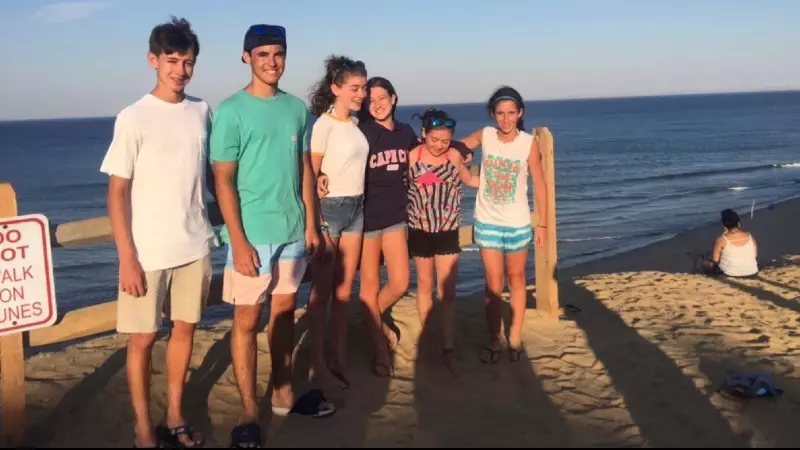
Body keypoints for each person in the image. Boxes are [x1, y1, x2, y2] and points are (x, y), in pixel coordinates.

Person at [210, 24, 334, 447]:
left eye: (278, 53)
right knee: (247, 321)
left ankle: (283, 393)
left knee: (284, 313)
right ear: (246, 57)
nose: (271, 61)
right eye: (262, 53)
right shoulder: (231, 111)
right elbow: (223, 180)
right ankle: (249, 410)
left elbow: (305, 170)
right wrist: (238, 239)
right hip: (253, 233)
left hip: (293, 229)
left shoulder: (296, 108)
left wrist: (312, 224)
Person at [100, 17, 212, 448]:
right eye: (172, 61)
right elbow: (117, 192)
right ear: (153, 60)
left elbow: (211, 174)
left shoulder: (202, 111)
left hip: (195, 243)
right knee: (143, 339)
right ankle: (143, 428)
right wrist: (127, 257)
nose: (180, 70)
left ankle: (175, 416)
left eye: (188, 62)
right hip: (147, 252)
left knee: (185, 330)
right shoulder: (133, 117)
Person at [459, 86, 548, 363]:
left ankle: (515, 338)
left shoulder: (529, 143)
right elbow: (456, 147)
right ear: (492, 114)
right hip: (487, 222)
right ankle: (494, 339)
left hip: (518, 223)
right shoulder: (485, 135)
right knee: (493, 284)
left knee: (517, 279)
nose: (506, 119)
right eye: (500, 113)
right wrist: (462, 158)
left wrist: (542, 225)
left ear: (520, 113)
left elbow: (540, 184)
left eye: (511, 113)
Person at [306, 55, 370, 390]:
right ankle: (318, 363)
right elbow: (310, 174)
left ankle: (338, 357)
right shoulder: (323, 125)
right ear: (336, 88)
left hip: (357, 208)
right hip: (330, 210)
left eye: (363, 88)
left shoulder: (355, 123)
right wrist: (316, 221)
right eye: (354, 88)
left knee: (345, 290)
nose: (361, 94)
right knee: (321, 292)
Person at [407, 108, 478, 371]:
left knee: (447, 292)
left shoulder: (454, 155)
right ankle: (428, 340)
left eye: (445, 140)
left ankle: (448, 346)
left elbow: (470, 180)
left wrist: (502, 180)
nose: (439, 145)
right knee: (424, 286)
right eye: (434, 139)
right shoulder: (413, 156)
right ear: (423, 134)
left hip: (447, 230)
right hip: (419, 230)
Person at [697, 209, 759, 277]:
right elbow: (755, 255)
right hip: (752, 272)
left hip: (730, 274)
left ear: (725, 226)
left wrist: (723, 235)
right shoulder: (750, 237)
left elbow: (715, 260)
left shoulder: (721, 240)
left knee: (706, 263)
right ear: (738, 224)